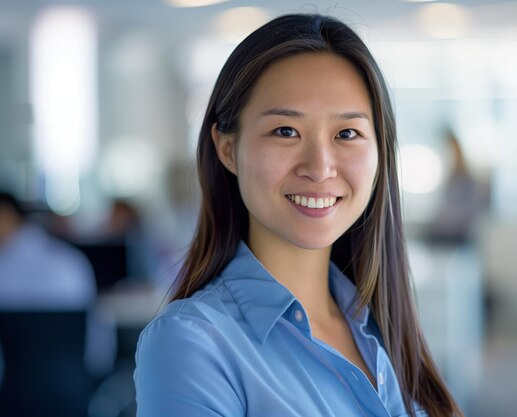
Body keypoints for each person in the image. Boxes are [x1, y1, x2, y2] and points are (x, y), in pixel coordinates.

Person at [134, 14, 463, 417]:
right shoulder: (192, 344)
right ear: (227, 148)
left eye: (347, 134)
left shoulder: (380, 325)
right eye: (286, 131)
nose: (320, 167)